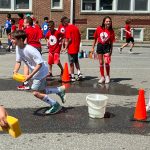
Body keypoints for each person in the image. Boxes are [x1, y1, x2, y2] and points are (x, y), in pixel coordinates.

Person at [12, 30, 66, 114]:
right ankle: (59, 90)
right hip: (36, 72)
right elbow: (18, 61)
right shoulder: (18, 47)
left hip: (40, 72)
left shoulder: (30, 49)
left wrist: (30, 75)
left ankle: (55, 105)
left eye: (13, 39)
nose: (11, 40)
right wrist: (15, 71)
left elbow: (39, 64)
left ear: (21, 40)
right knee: (42, 91)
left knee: (35, 92)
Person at [17, 17, 42, 90]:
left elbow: (25, 41)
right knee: (37, 65)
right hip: (38, 47)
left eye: (24, 22)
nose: (23, 24)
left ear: (27, 23)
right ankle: (39, 82)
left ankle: (26, 83)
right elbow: (41, 37)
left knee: (26, 65)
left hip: (30, 48)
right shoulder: (37, 28)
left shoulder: (26, 31)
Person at [91, 16, 115, 84]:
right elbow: (95, 38)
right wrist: (92, 47)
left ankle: (107, 76)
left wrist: (111, 51)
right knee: (101, 62)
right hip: (100, 46)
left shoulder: (111, 30)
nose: (108, 22)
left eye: (109, 21)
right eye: (107, 21)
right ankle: (102, 77)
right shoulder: (99, 28)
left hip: (107, 46)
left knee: (107, 62)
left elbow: (112, 42)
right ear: (104, 22)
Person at [62, 17, 82, 82]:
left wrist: (65, 47)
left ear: (65, 22)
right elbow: (80, 37)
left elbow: (69, 39)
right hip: (76, 47)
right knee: (76, 61)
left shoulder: (68, 29)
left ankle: (72, 76)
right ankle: (79, 73)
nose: (63, 25)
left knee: (71, 63)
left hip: (71, 48)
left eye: (63, 23)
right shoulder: (76, 27)